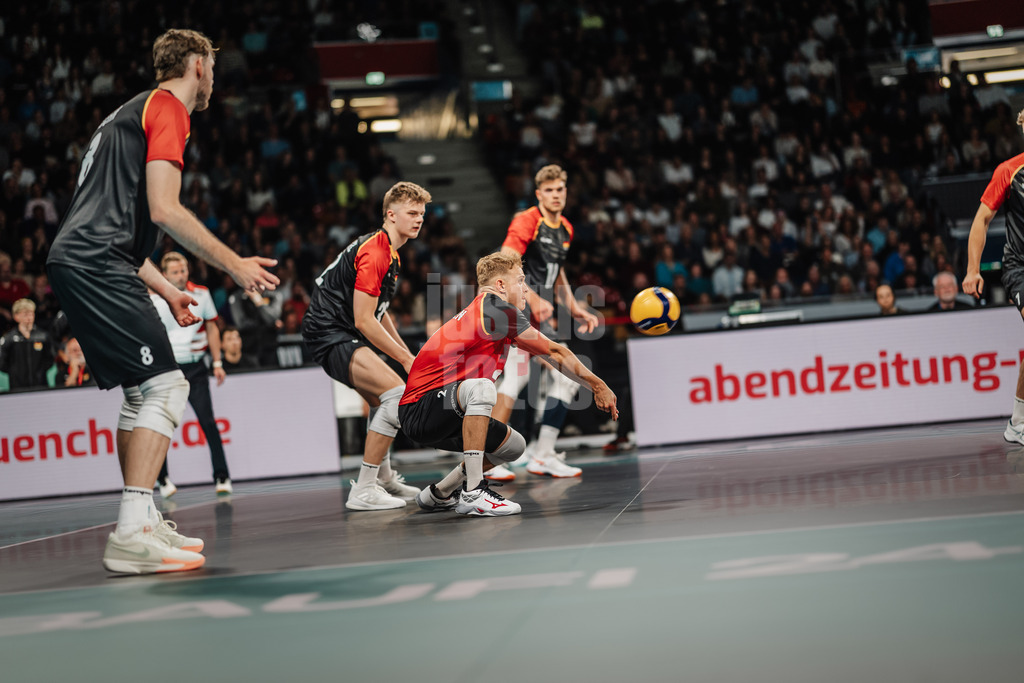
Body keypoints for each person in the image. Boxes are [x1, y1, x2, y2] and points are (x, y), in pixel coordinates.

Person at [45, 29, 279, 575]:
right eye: (212, 66)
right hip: (98, 262)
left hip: (86, 259)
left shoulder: (127, 113)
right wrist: (234, 263)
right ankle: (130, 533)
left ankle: (144, 520)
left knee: (139, 394)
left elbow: (120, 225)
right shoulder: (170, 108)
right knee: (168, 386)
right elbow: (165, 209)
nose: (214, 76)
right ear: (197, 65)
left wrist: (170, 290)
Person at [402, 252, 618, 516]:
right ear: (501, 285)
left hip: (443, 411)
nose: (526, 288)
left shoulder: (487, 311)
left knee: (513, 447)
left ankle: (439, 493)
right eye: (520, 280)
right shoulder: (496, 309)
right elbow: (555, 352)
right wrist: (598, 385)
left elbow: (549, 355)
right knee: (482, 388)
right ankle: (473, 491)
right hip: (422, 409)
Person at [302, 181, 429, 511]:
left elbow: (379, 313)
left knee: (379, 399)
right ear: (391, 214)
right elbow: (363, 320)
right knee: (397, 395)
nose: (419, 219)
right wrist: (405, 360)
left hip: (341, 331)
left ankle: (383, 480)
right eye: (412, 213)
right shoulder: (376, 252)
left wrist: (407, 354)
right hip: (329, 332)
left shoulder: (391, 253)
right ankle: (364, 489)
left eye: (422, 213)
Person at [489, 165, 600, 481]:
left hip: (533, 315)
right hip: (521, 310)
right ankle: (532, 455)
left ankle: (510, 456)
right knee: (558, 377)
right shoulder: (527, 220)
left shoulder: (565, 228)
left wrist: (574, 307)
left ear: (566, 191)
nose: (555, 195)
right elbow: (505, 262)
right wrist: (534, 298)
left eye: (559, 189)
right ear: (538, 194)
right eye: (548, 190)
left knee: (521, 379)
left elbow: (557, 271)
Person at [150, 252, 233, 498]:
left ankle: (222, 476)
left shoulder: (202, 294)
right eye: (175, 272)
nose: (180, 275)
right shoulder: (153, 299)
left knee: (208, 422)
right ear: (164, 274)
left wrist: (217, 362)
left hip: (196, 368)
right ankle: (162, 479)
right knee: (161, 425)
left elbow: (212, 328)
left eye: (183, 270)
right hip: (167, 369)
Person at [964, 108, 1024, 446]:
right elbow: (981, 220)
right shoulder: (1009, 171)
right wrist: (973, 269)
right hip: (1020, 266)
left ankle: (1018, 421)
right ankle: (1019, 423)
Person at [0, 298, 53, 389]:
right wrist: (14, 373)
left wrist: (40, 373)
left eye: (31, 313)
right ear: (16, 316)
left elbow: (50, 359)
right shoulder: (9, 339)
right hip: (17, 387)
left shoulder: (43, 336)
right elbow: (2, 363)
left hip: (40, 385)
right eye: (25, 314)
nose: (29, 317)